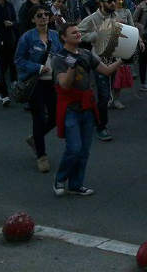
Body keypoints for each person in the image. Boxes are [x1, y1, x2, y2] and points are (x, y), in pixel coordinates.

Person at [51, 23, 124, 197]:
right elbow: (64, 85)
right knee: (74, 148)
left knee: (84, 150)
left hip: (87, 107)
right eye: (73, 32)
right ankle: (60, 179)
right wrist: (71, 67)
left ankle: (76, 184)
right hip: (70, 108)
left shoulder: (85, 54)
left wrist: (122, 60)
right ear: (63, 37)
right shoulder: (59, 58)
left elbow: (106, 71)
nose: (78, 34)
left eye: (78, 31)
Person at [15, 5, 62, 173]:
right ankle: (41, 156)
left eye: (46, 14)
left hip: (52, 82)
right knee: (39, 117)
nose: (43, 17)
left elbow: (61, 55)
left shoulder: (55, 36)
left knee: (56, 116)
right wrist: (38, 67)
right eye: (39, 15)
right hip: (35, 83)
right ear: (33, 19)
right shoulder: (27, 37)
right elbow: (19, 60)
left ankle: (35, 138)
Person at [77, 0, 121, 140]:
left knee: (107, 93)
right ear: (101, 3)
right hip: (98, 60)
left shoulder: (115, 16)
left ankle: (96, 120)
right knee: (103, 96)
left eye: (114, 0)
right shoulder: (91, 19)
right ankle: (101, 127)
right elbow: (77, 34)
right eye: (109, 1)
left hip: (113, 59)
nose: (113, 3)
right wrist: (95, 35)